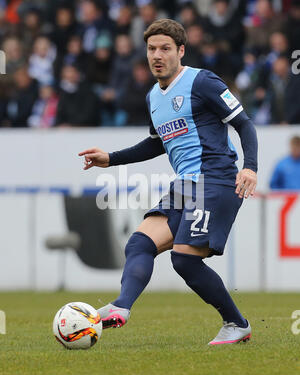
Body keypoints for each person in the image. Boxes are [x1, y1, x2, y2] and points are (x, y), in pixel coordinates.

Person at [79, 19, 258, 346]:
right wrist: (111, 158)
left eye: (165, 48)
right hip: (185, 185)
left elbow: (244, 124)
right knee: (139, 243)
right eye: (151, 49)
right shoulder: (153, 98)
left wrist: (251, 168)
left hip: (216, 179)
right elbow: (155, 143)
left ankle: (237, 323)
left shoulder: (202, 82)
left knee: (185, 258)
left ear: (181, 51)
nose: (157, 55)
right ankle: (121, 307)